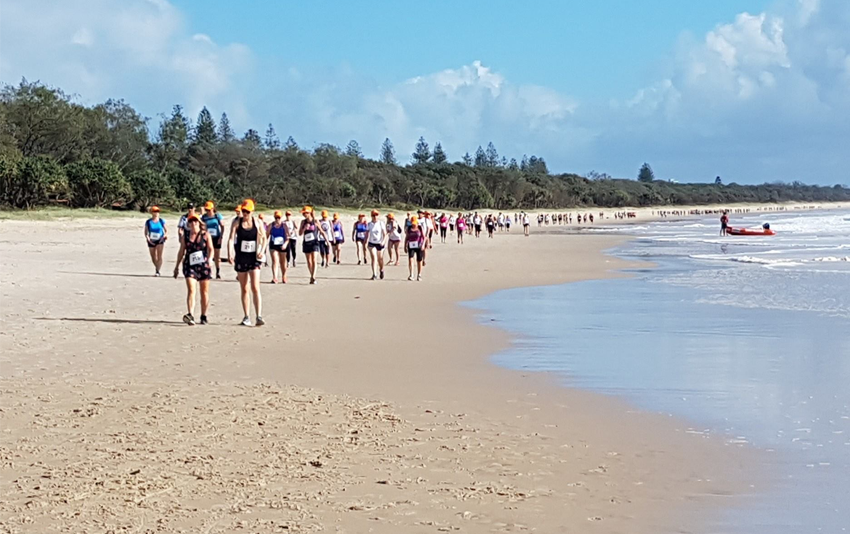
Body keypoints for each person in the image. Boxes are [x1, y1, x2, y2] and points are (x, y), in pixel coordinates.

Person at [227, 199, 265, 327]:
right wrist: (229, 253)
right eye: (243, 211)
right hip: (241, 258)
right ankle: (246, 316)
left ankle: (259, 316)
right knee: (244, 288)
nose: (245, 214)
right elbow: (231, 238)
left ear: (252, 211)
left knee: (255, 287)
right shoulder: (237, 223)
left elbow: (264, 238)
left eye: (247, 212)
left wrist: (262, 251)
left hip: (254, 258)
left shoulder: (258, 223)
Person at [172, 214, 213, 325]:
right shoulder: (185, 236)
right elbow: (181, 251)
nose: (193, 224)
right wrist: (176, 267)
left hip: (204, 266)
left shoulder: (206, 235)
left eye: (195, 222)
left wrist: (209, 260)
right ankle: (190, 314)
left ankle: (204, 315)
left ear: (199, 223)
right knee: (191, 290)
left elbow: (211, 249)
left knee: (204, 292)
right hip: (189, 266)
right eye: (191, 222)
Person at [299, 206, 330, 284]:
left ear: (309, 213)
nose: (304, 215)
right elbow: (300, 233)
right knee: (309, 261)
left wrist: (327, 241)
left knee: (314, 260)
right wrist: (304, 228)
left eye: (305, 213)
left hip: (314, 243)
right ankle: (311, 275)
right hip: (306, 243)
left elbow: (322, 231)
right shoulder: (303, 222)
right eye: (303, 213)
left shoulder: (315, 221)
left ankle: (313, 277)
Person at [201, 201, 224, 279]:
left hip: (216, 237)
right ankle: (209, 271)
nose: (208, 211)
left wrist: (221, 237)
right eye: (206, 210)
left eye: (209, 210)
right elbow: (201, 226)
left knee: (217, 256)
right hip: (208, 238)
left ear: (213, 209)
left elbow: (222, 226)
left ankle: (218, 271)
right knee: (208, 254)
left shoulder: (217, 216)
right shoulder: (204, 217)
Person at [144, 206, 168, 276]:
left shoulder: (161, 221)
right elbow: (146, 232)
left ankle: (157, 271)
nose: (156, 213)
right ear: (151, 212)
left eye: (157, 211)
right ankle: (157, 267)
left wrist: (165, 235)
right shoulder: (148, 222)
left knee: (159, 256)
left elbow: (166, 230)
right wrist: (147, 237)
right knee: (153, 257)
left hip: (160, 239)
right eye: (155, 211)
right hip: (151, 240)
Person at [267, 211, 288, 283]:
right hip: (273, 245)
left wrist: (285, 244)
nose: (277, 219)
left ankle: (284, 275)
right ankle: (275, 277)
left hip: (282, 245)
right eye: (276, 217)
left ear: (281, 218)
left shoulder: (284, 226)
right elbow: (266, 236)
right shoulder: (271, 225)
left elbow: (288, 237)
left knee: (283, 262)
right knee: (275, 261)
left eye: (278, 217)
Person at [366, 209, 387, 280]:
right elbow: (367, 234)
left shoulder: (381, 223)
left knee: (380, 259)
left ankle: (381, 270)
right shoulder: (369, 224)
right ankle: (374, 274)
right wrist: (365, 242)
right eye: (373, 215)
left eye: (376, 215)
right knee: (374, 258)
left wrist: (383, 241)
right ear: (371, 216)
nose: (375, 217)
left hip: (380, 243)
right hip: (372, 243)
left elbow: (385, 234)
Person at [405, 216, 426, 281]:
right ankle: (411, 274)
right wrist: (405, 246)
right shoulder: (409, 228)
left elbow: (424, 237)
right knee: (411, 259)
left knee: (419, 260)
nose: (414, 225)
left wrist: (423, 245)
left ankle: (419, 275)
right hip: (411, 246)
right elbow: (407, 237)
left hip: (419, 245)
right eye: (412, 224)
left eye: (415, 223)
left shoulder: (420, 227)